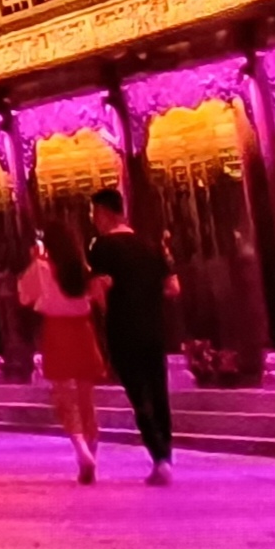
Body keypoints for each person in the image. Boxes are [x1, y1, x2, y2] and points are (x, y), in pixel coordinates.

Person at [84, 185, 183, 482]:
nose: (93, 219)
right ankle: (165, 455)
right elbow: (173, 288)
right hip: (154, 327)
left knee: (139, 396)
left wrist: (109, 303)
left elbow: (99, 290)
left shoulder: (101, 247)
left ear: (103, 213)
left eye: (93, 213)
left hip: (123, 329)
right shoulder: (152, 245)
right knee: (159, 392)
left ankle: (158, 459)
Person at [15, 234, 108, 479]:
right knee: (87, 398)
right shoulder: (82, 269)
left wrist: (34, 261)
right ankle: (91, 453)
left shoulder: (43, 267)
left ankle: (81, 450)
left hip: (57, 330)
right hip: (83, 330)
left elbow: (24, 295)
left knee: (65, 398)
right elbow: (98, 297)